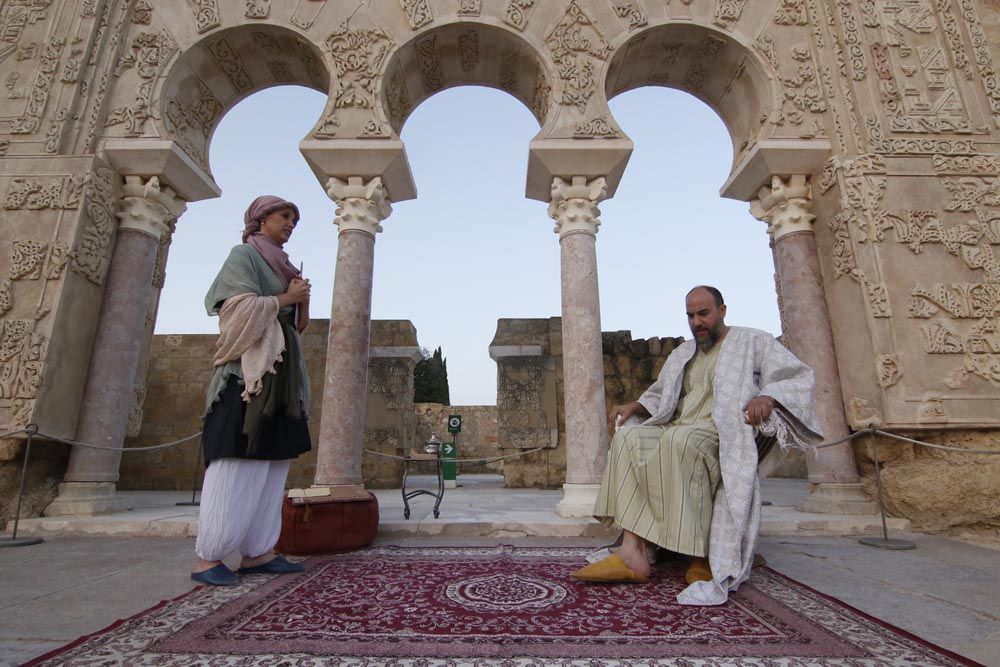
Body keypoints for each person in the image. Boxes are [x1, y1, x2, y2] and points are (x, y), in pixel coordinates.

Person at [571, 285, 822, 605]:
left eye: (703, 313)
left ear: (722, 311)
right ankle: (632, 554)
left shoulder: (752, 342)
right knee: (629, 438)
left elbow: (796, 377)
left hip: (723, 432)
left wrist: (768, 397)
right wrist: (634, 406)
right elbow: (661, 394)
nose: (697, 322)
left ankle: (703, 555)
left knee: (679, 441)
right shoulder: (683, 353)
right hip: (680, 426)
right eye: (690, 315)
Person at [190, 195, 313, 586]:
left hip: (283, 374)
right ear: (261, 219)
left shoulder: (283, 264)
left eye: (294, 219)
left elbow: (295, 325)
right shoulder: (243, 256)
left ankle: (258, 551)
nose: (290, 223)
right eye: (284, 216)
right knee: (237, 457)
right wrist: (286, 298)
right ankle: (208, 558)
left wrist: (298, 300)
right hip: (249, 375)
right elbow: (234, 311)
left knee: (272, 460)